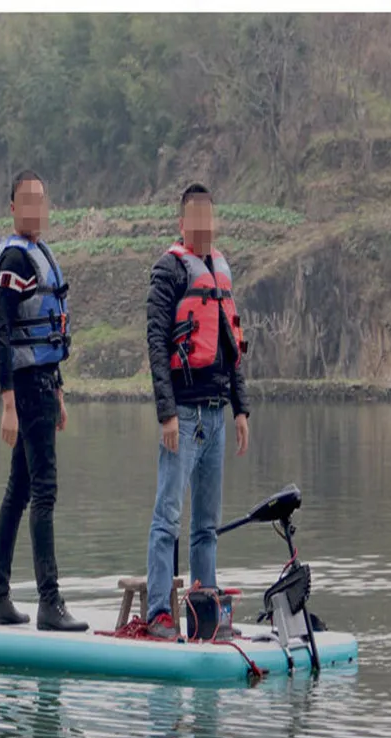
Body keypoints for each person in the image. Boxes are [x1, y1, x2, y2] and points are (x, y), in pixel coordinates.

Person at [144, 182, 251, 640]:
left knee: (206, 524)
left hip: (215, 412)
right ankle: (158, 613)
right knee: (168, 516)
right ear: (182, 224)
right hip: (183, 415)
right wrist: (166, 413)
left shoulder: (221, 272)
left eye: (211, 217)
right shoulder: (168, 271)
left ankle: (204, 616)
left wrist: (241, 408)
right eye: (196, 218)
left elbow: (231, 344)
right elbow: (155, 342)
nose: (204, 226)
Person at [0, 169, 88, 632]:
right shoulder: (16, 259)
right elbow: (2, 332)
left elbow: (48, 334)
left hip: (44, 384)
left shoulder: (40, 255)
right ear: (12, 209)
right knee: (42, 491)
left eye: (40, 201)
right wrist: (8, 401)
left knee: (20, 491)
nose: (34, 209)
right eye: (25, 201)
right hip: (26, 389)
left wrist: (60, 391)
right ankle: (50, 602)